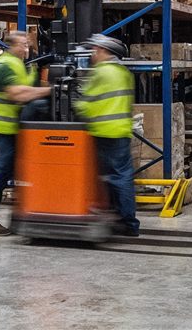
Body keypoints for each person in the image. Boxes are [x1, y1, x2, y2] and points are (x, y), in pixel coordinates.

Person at [0, 27, 51, 236]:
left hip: (11, 126)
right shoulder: (4, 65)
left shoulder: (20, 65)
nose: (26, 48)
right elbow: (18, 94)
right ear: (12, 46)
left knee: (19, 170)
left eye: (27, 45)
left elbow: (28, 86)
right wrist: (50, 90)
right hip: (0, 126)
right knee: (1, 174)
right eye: (23, 45)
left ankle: (23, 213)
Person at [75, 33, 140, 237]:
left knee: (112, 177)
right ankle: (124, 219)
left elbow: (86, 103)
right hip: (122, 130)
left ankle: (126, 221)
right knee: (122, 176)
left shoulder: (101, 73)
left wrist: (74, 105)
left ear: (103, 51)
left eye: (95, 50)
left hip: (104, 131)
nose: (92, 54)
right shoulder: (123, 72)